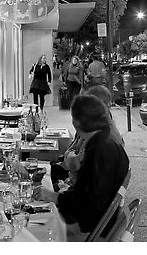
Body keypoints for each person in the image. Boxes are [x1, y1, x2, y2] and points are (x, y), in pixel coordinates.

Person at [35, 94, 129, 240]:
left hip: (89, 226)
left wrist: (54, 196)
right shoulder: (106, 142)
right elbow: (88, 193)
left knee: (30, 227)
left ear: (76, 122)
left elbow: (89, 203)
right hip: (99, 219)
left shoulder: (99, 151)